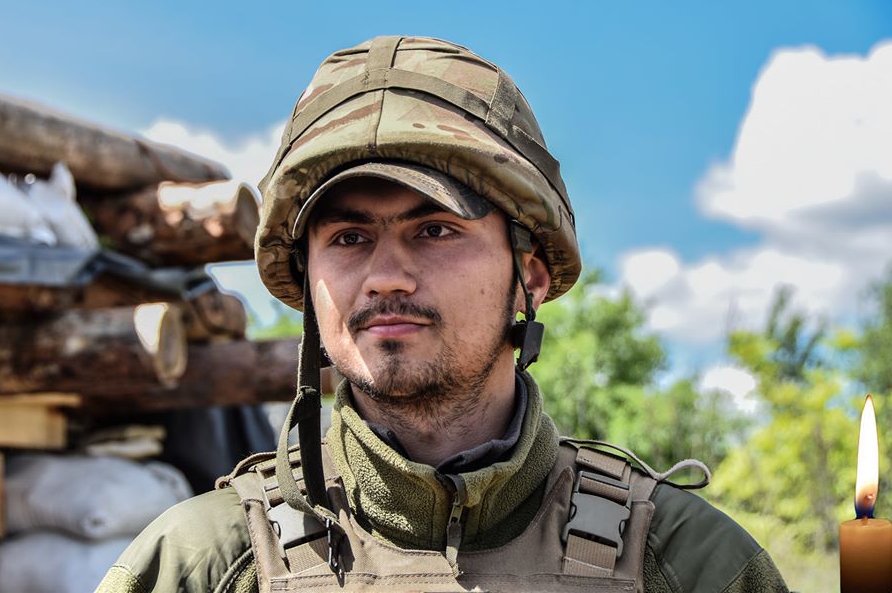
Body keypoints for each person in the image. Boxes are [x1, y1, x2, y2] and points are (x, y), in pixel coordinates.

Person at [96, 36, 791, 593]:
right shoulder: (204, 565)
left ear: (529, 277)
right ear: (309, 281)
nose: (385, 277)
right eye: (348, 238)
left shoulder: (687, 564)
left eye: (434, 230)